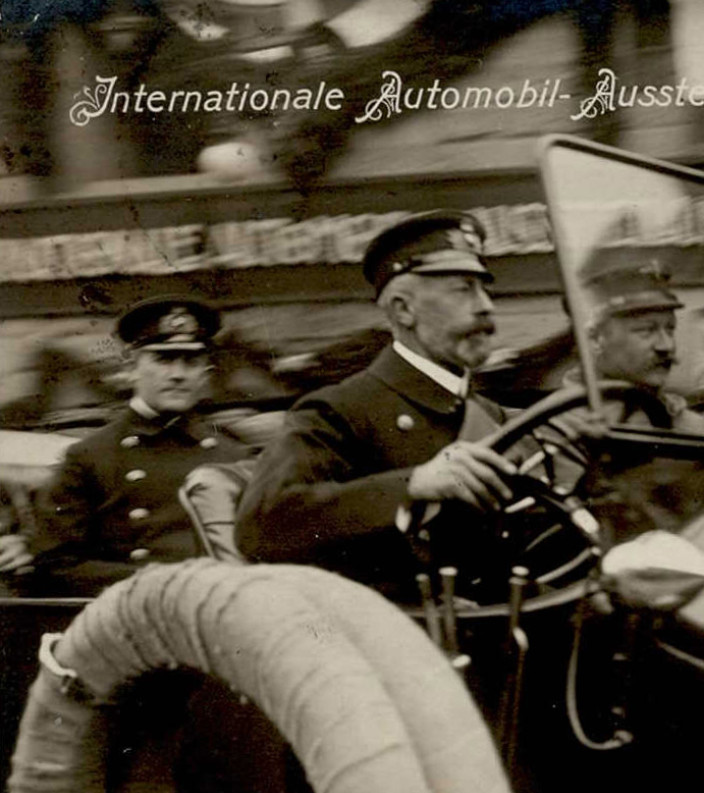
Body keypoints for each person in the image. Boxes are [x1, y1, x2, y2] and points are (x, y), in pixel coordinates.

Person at [236, 211, 518, 599]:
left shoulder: (492, 415)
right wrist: (414, 484)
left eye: (486, 290)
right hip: (402, 639)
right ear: (404, 310)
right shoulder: (338, 411)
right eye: (463, 290)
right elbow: (263, 527)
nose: (487, 306)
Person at [30, 297, 252, 595]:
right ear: (132, 367)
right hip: (131, 620)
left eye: (191, 361)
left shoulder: (232, 455)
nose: (178, 374)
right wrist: (152, 584)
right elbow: (56, 563)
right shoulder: (89, 457)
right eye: (163, 359)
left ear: (205, 373)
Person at [566, 260, 704, 435]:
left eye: (670, 329)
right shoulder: (557, 430)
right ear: (595, 340)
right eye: (646, 330)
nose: (666, 345)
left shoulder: (697, 431)